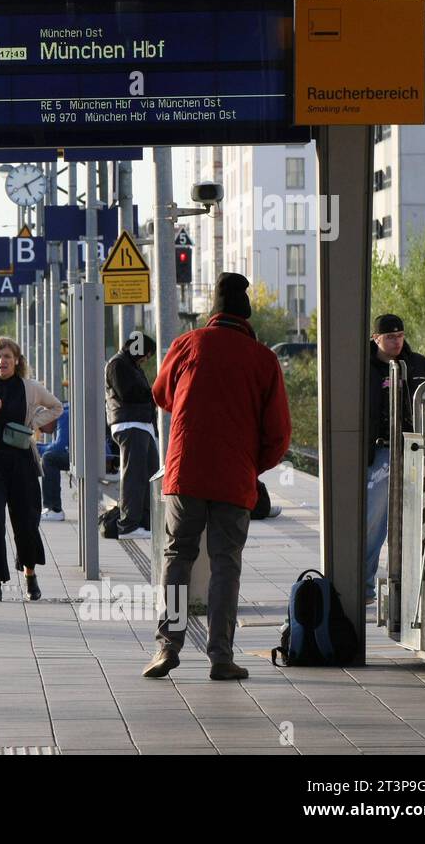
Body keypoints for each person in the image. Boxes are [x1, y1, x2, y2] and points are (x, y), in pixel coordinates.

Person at [144, 273, 291, 681]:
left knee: (178, 558)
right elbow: (279, 433)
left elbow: (160, 393)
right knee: (226, 563)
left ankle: (167, 645)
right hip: (233, 478)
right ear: (246, 316)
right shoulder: (263, 359)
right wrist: (252, 466)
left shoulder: (187, 344)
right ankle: (221, 656)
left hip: (185, 472)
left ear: (214, 312)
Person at [0, 336, 63, 603]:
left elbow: (56, 407)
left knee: (26, 521)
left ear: (17, 360)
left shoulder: (30, 387)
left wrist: (33, 421)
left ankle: (30, 575)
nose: (2, 361)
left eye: (7, 356)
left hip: (23, 463)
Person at [365, 314, 425, 605]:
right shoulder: (365, 368)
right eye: (390, 337)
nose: (397, 341)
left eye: (400, 335)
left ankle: (412, 586)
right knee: (373, 520)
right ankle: (365, 585)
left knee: (415, 519)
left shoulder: (419, 365)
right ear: (376, 339)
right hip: (380, 452)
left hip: (413, 448)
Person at [105, 333, 159, 540]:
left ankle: (144, 522)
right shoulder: (118, 364)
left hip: (141, 425)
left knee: (149, 474)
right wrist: (151, 393)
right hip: (129, 423)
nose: (146, 359)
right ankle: (128, 525)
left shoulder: (132, 366)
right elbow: (127, 393)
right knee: (134, 476)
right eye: (148, 354)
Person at [38, 406, 70, 521]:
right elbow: (57, 445)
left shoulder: (63, 416)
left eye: (40, 428)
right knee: (49, 457)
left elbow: (59, 447)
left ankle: (54, 509)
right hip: (90, 456)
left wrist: (36, 449)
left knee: (49, 459)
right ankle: (51, 508)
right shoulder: (62, 415)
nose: (42, 431)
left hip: (97, 458)